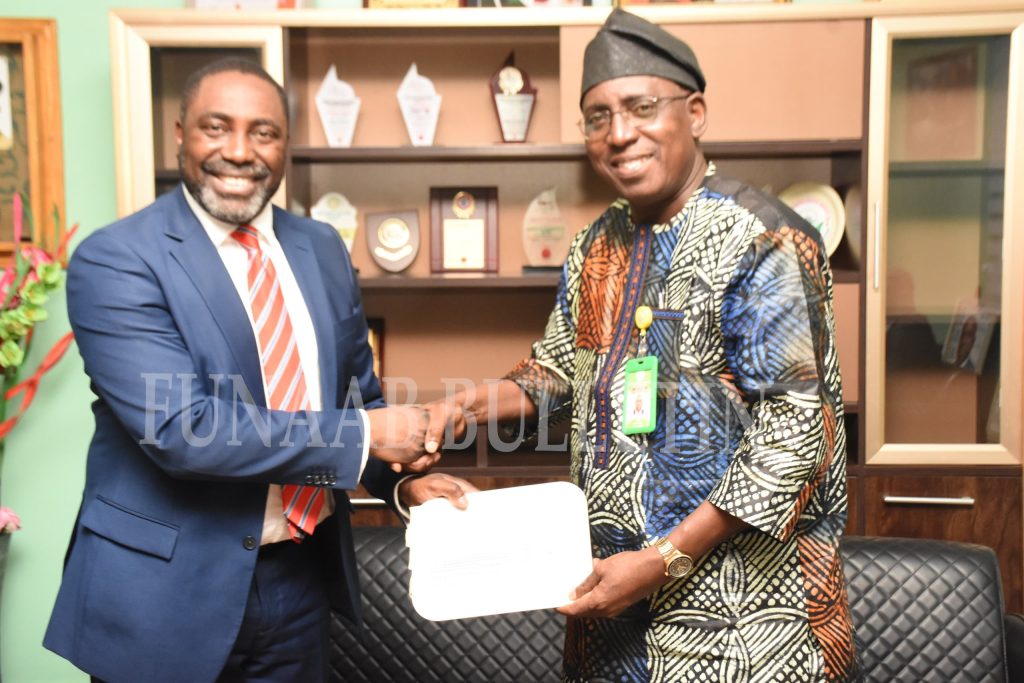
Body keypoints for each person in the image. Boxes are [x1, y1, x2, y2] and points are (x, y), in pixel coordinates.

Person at [423, 10, 860, 682]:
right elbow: (558, 368)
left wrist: (664, 561)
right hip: (614, 620)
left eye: (641, 107)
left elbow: (793, 441)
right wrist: (458, 411)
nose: (619, 133)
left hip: (748, 633)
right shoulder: (597, 242)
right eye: (597, 116)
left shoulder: (763, 238)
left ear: (696, 112)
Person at [44, 57, 471, 683]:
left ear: (286, 146)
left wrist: (400, 484)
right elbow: (184, 431)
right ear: (180, 132)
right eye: (217, 127)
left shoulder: (321, 247)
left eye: (263, 132)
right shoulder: (116, 260)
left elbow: (359, 395)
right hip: (161, 595)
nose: (240, 151)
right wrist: (365, 437)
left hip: (297, 584)